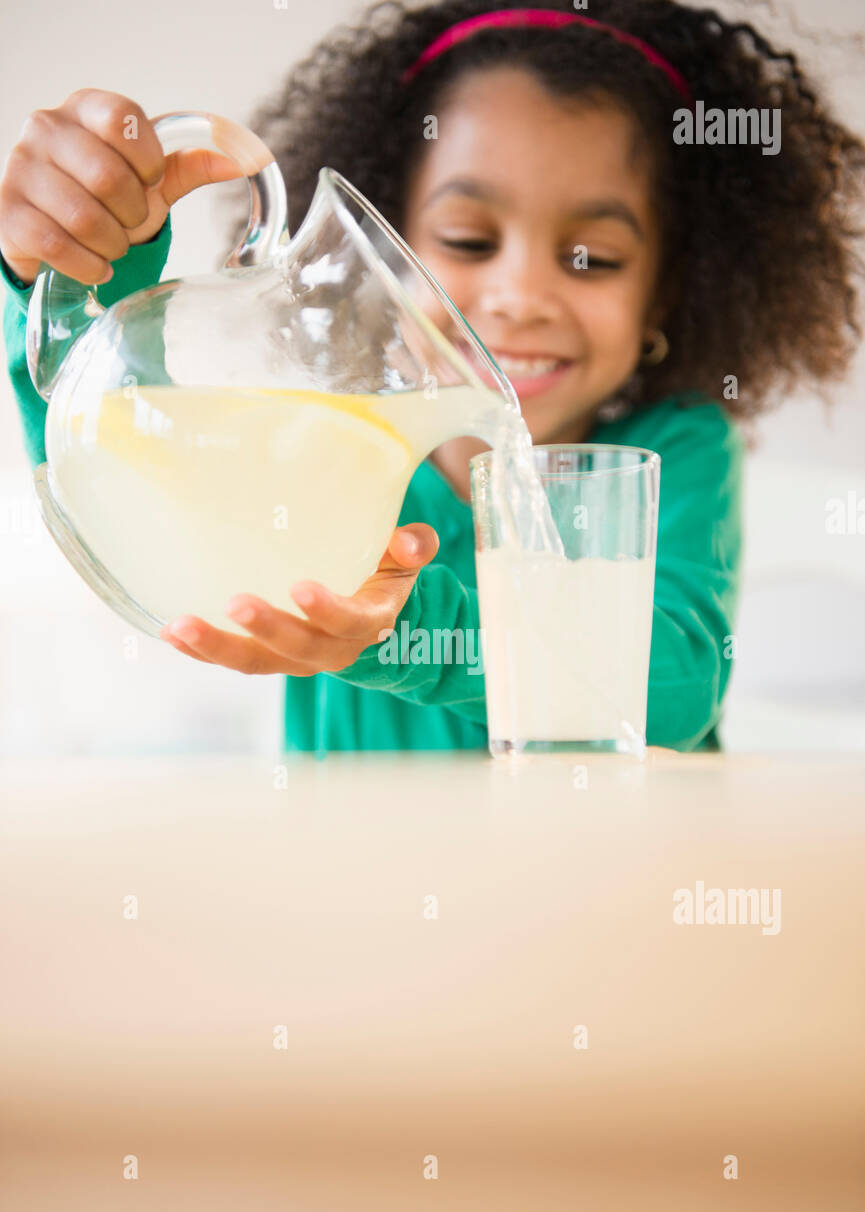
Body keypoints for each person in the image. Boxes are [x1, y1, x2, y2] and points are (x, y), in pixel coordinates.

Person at [2, 0, 863, 753]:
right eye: (468, 241)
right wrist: (79, 264)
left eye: (592, 258)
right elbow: (114, 472)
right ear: (395, 245)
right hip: (363, 900)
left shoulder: (670, 449)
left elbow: (673, 688)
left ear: (667, 294)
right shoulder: (320, 435)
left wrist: (399, 627)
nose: (521, 295)